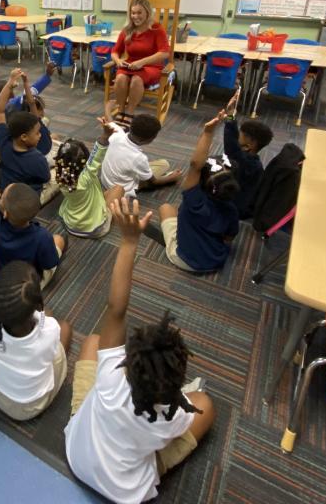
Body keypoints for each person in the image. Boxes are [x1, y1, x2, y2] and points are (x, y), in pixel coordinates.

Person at [64, 199, 215, 503]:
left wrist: (129, 241)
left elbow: (116, 309)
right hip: (127, 492)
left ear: (127, 363)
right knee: (206, 406)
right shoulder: (173, 415)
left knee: (94, 342)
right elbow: (184, 412)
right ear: (175, 386)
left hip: (77, 456)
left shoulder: (110, 380)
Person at [0, 182, 72, 421]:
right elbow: (49, 263)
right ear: (37, 307)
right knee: (66, 330)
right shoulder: (48, 328)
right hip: (32, 405)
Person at [0, 125, 65, 288]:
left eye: (2, 197)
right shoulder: (41, 236)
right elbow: (49, 263)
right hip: (24, 283)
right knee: (58, 240)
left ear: (6, 213)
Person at [158, 110, 241, 273]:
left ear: (201, 181)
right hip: (217, 260)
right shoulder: (232, 210)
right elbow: (228, 238)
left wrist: (208, 132)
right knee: (179, 211)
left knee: (165, 208)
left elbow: (195, 164)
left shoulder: (194, 202)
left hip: (185, 260)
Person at [0, 68, 58, 204]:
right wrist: (16, 82)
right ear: (24, 137)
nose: (39, 135)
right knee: (57, 177)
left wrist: (13, 82)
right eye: (37, 133)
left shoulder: (4, 142)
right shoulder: (37, 158)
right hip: (26, 201)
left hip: (5, 194)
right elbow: (45, 177)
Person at [106, 0, 171, 127]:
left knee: (136, 79)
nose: (135, 16)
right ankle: (121, 110)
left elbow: (164, 53)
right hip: (130, 65)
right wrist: (118, 61)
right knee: (120, 79)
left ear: (147, 12)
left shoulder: (157, 29)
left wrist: (142, 62)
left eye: (139, 12)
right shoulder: (128, 29)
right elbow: (115, 51)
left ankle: (129, 113)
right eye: (133, 12)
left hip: (151, 66)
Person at [55, 118, 122, 238]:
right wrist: (106, 135)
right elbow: (96, 156)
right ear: (84, 160)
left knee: (101, 193)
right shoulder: (86, 176)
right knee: (119, 189)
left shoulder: (60, 175)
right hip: (94, 228)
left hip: (71, 224)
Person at [100, 114, 179, 199]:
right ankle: (148, 176)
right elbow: (153, 182)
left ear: (130, 127)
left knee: (158, 165)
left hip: (105, 181)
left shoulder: (117, 133)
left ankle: (141, 170)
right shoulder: (139, 158)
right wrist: (171, 178)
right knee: (164, 164)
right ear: (149, 140)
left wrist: (108, 108)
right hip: (122, 190)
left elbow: (110, 123)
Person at [221, 92, 273, 219]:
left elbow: (231, 146)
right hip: (238, 201)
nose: (237, 137)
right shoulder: (251, 160)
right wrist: (231, 115)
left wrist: (230, 117)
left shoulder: (247, 163)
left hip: (235, 208)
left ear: (250, 145)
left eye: (241, 136)